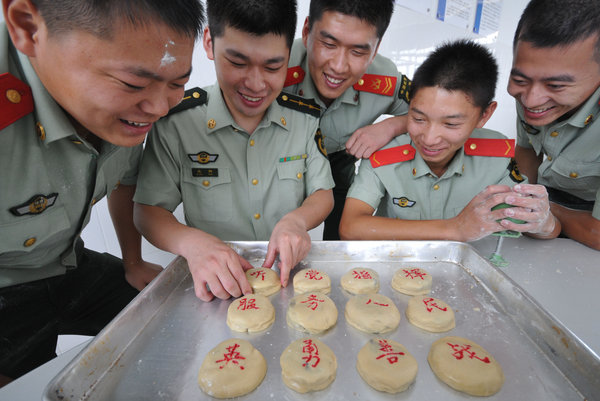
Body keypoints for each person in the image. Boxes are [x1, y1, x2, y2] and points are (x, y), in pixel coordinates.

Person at [0, 0, 204, 384]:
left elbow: (124, 179)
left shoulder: (129, 110)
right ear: (28, 27)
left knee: (175, 320)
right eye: (133, 84)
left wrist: (133, 259)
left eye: (178, 83)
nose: (159, 107)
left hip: (66, 260)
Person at [133, 0, 334, 302]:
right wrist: (193, 244)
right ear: (210, 43)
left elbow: (323, 193)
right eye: (238, 63)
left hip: (288, 282)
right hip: (214, 285)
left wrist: (297, 221)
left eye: (272, 66)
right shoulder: (177, 122)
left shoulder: (303, 119)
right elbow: (148, 211)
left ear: (288, 56)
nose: (255, 84)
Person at [339, 40, 560, 242]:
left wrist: (545, 223)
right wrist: (454, 229)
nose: (429, 139)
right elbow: (350, 227)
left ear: (485, 115)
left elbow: (535, 223)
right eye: (418, 118)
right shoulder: (384, 152)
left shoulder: (495, 156)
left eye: (451, 124)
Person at [284, 0, 410, 240]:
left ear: (376, 48)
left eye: (358, 51)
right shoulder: (278, 64)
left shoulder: (386, 80)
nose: (339, 67)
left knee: (341, 243)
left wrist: (391, 126)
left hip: (339, 163)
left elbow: (430, 112)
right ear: (307, 30)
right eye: (329, 44)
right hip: (279, 162)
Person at [508, 0, 600, 250]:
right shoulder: (532, 96)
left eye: (556, 86)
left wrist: (535, 208)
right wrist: (522, 194)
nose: (531, 99)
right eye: (519, 79)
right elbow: (527, 149)